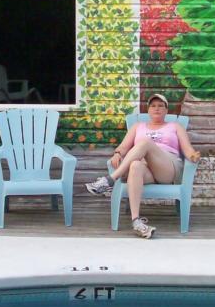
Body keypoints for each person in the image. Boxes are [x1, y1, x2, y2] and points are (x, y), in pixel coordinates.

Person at [85, 94, 201, 239]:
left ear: (166, 110)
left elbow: (187, 149)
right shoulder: (137, 126)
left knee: (145, 142)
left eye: (160, 106)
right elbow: (123, 147)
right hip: (146, 169)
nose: (156, 109)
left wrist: (192, 156)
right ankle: (136, 222)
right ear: (148, 110)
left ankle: (110, 180)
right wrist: (117, 154)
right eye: (153, 106)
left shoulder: (175, 126)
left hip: (167, 167)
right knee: (134, 166)